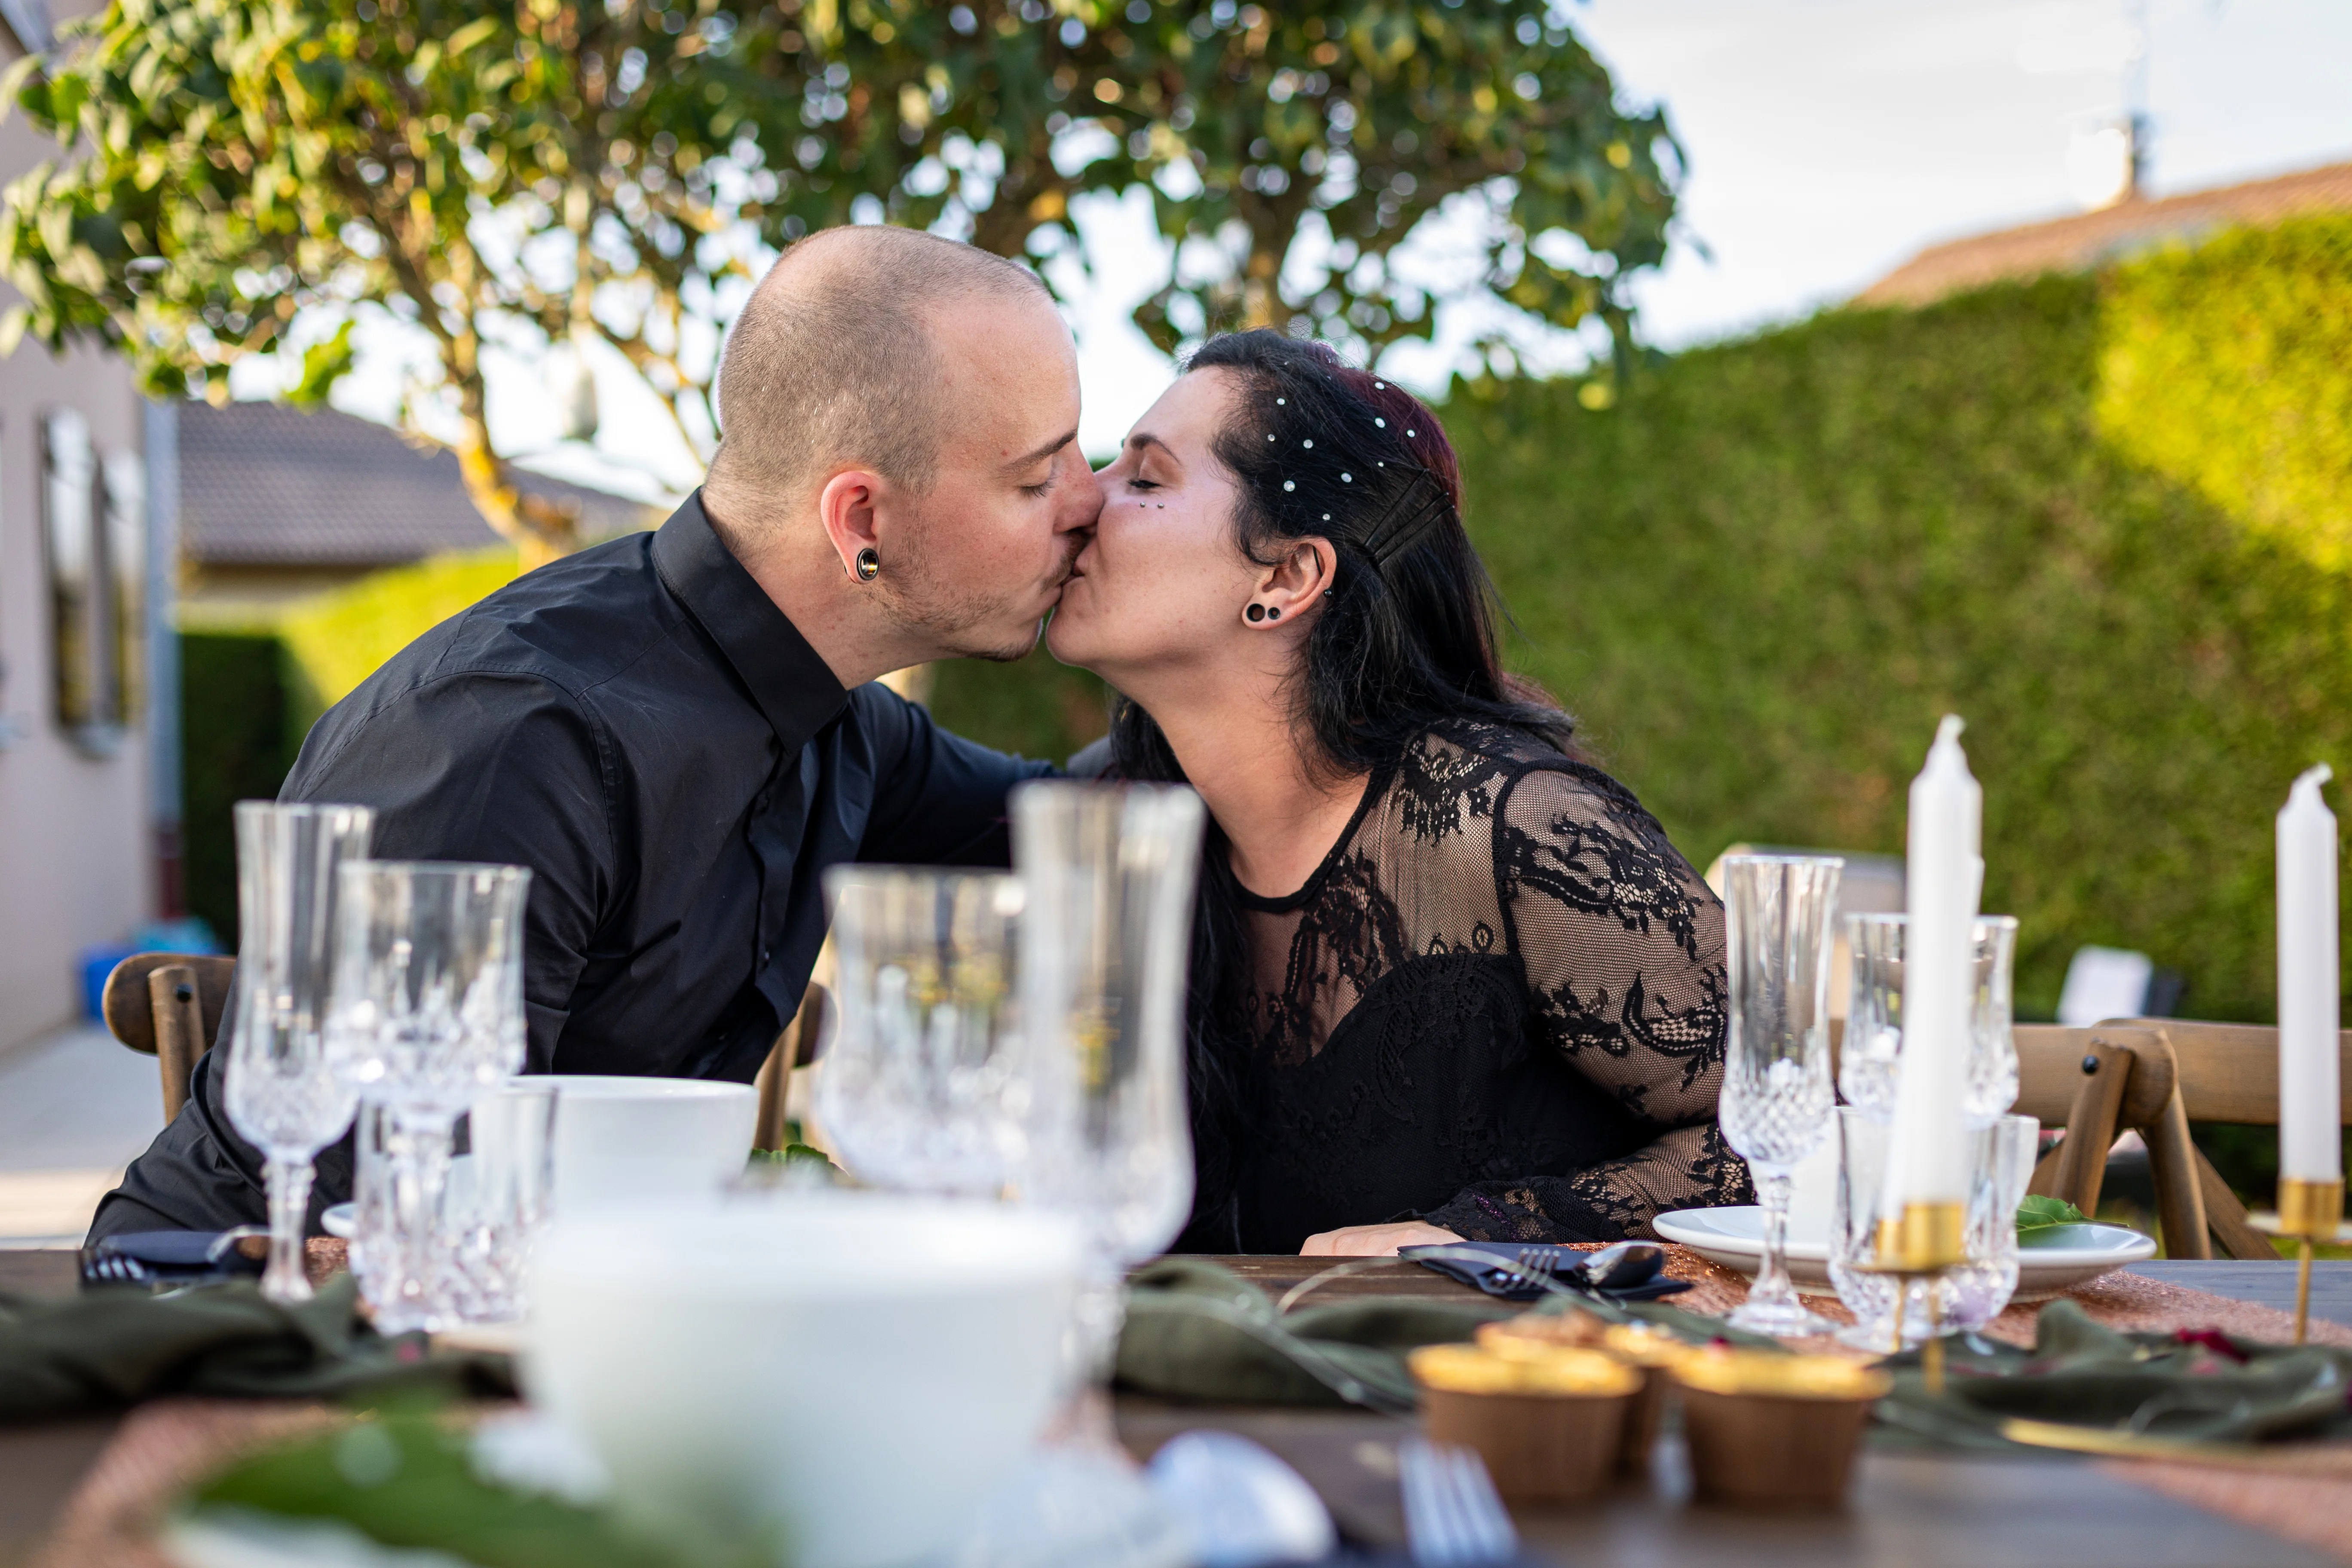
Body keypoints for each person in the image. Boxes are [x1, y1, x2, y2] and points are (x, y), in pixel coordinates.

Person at [92, 227, 1100, 1239]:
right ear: (862, 522)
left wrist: (1206, 638)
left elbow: (1088, 829)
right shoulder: (519, 740)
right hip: (230, 1324)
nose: (1091, 503)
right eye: (1036, 479)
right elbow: (400, 1215)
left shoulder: (835, 718)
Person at [1046, 330, 1747, 1256]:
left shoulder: (1519, 831)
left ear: (1287, 577)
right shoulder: (1113, 818)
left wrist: (1473, 1233)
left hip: (1511, 1388)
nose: (1082, 495)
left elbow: (1790, 1136)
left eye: (1145, 480)